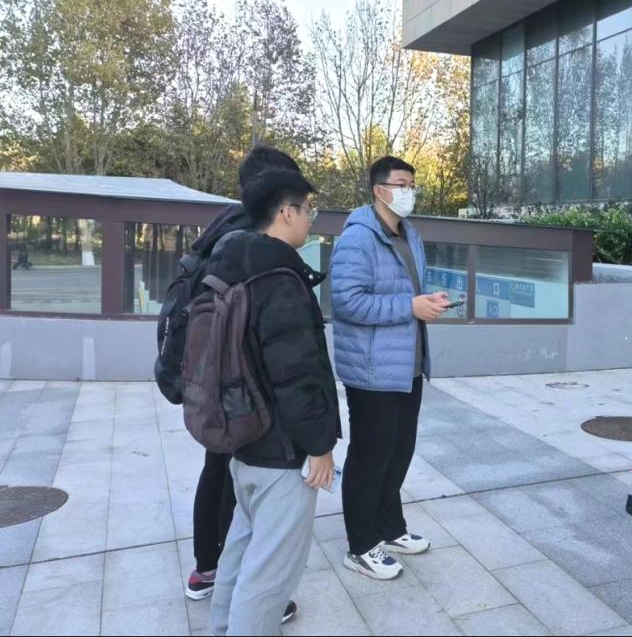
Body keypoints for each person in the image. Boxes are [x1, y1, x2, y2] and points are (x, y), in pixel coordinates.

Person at [156, 145, 303, 626]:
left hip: (208, 377)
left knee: (219, 469)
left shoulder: (221, 227)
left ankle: (207, 568)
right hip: (235, 383)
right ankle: (240, 586)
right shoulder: (248, 239)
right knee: (239, 479)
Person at [207, 167, 341, 637]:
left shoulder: (231, 266)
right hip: (282, 453)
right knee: (269, 577)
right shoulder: (280, 280)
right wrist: (320, 446)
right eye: (308, 211)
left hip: (244, 442)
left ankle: (221, 628)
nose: (309, 220)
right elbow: (297, 376)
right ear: (286, 212)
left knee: (240, 552)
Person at [330, 156, 451, 580]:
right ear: (379, 190)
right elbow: (347, 302)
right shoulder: (357, 238)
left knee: (399, 451)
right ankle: (361, 545)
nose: (409, 192)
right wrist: (410, 306)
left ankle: (390, 527)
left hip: (407, 365)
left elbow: (408, 293)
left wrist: (426, 301)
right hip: (371, 370)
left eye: (412, 185)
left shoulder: (409, 234)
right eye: (401, 184)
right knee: (370, 456)